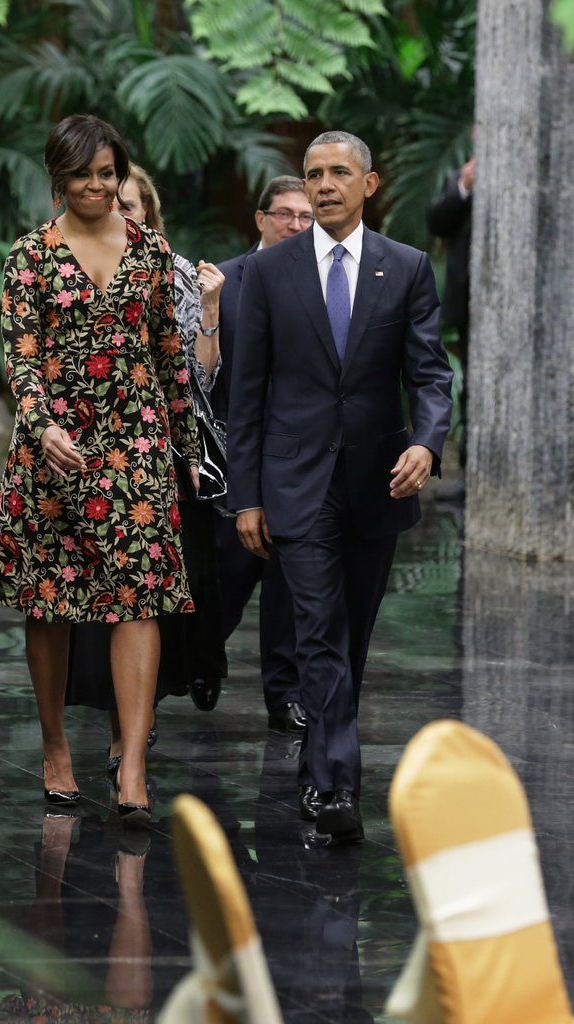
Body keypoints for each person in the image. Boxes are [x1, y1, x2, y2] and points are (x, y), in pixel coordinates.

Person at [0, 115, 200, 828]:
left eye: (108, 173)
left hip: (137, 447)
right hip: (55, 451)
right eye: (83, 174)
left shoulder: (152, 253)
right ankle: (55, 747)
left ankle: (131, 763)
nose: (97, 186)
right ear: (58, 177)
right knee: (52, 603)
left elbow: (167, 355)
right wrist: (43, 427)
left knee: (138, 597)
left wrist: (187, 448)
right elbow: (22, 361)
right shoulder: (29, 256)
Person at [227, 131, 453, 842]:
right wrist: (247, 497)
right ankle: (333, 787)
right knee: (319, 630)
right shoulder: (269, 274)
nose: (323, 185)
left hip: (376, 481)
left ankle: (321, 766)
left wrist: (425, 440)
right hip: (295, 484)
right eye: (313, 174)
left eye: (338, 173)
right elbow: (248, 391)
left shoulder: (407, 267)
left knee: (349, 637)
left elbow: (429, 373)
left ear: (369, 184)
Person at [65, 164, 228, 768]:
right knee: (101, 602)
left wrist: (209, 312)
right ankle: (121, 733)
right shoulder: (63, 265)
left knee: (149, 603)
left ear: (148, 214)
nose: (120, 211)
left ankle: (137, 731)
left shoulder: (174, 273)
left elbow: (201, 378)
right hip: (86, 458)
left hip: (161, 456)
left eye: (131, 204)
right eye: (113, 201)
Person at [213, 176, 315, 732]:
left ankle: (285, 695)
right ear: (260, 218)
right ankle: (200, 662)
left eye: (305, 217)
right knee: (226, 579)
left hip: (298, 459)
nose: (295, 225)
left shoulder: (321, 281)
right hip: (234, 454)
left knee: (288, 586)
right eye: (284, 214)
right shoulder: (224, 281)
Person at [427, 152, 474, 491]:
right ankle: (469, 477)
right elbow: (437, 222)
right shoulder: (464, 175)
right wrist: (464, 186)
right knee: (473, 388)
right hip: (475, 303)